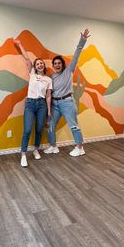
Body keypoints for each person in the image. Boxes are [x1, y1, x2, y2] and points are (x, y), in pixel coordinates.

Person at [44, 29, 90, 157]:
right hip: (55, 104)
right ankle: (53, 146)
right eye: (55, 63)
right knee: (51, 126)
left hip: (67, 102)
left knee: (73, 126)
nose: (57, 65)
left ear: (63, 64)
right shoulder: (52, 76)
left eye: (59, 63)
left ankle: (80, 147)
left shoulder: (69, 71)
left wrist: (83, 40)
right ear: (53, 65)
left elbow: (76, 54)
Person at [14, 39, 52, 167]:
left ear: (44, 66)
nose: (40, 65)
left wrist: (49, 111)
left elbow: (48, 96)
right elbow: (26, 58)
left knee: (39, 129)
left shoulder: (48, 79)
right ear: (35, 66)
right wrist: (20, 44)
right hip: (30, 104)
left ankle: (36, 149)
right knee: (28, 129)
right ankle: (23, 154)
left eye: (41, 63)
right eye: (37, 64)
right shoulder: (32, 74)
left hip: (42, 105)